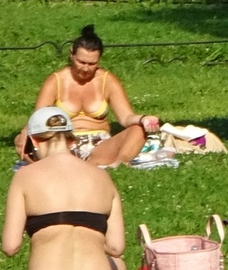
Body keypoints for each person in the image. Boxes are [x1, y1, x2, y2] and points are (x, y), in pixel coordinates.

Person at [0, 108, 132, 270]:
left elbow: (10, 246)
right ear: (72, 141)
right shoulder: (103, 178)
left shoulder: (24, 176)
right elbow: (116, 248)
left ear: (34, 141)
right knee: (117, 264)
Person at [15, 25, 158, 167]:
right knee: (24, 140)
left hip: (100, 145)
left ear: (99, 59)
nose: (85, 68)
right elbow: (39, 117)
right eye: (81, 62)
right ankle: (58, 164)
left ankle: (119, 165)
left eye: (91, 64)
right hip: (65, 143)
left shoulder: (107, 80)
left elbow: (126, 117)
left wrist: (143, 119)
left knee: (138, 130)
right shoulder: (56, 80)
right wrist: (24, 132)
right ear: (72, 54)